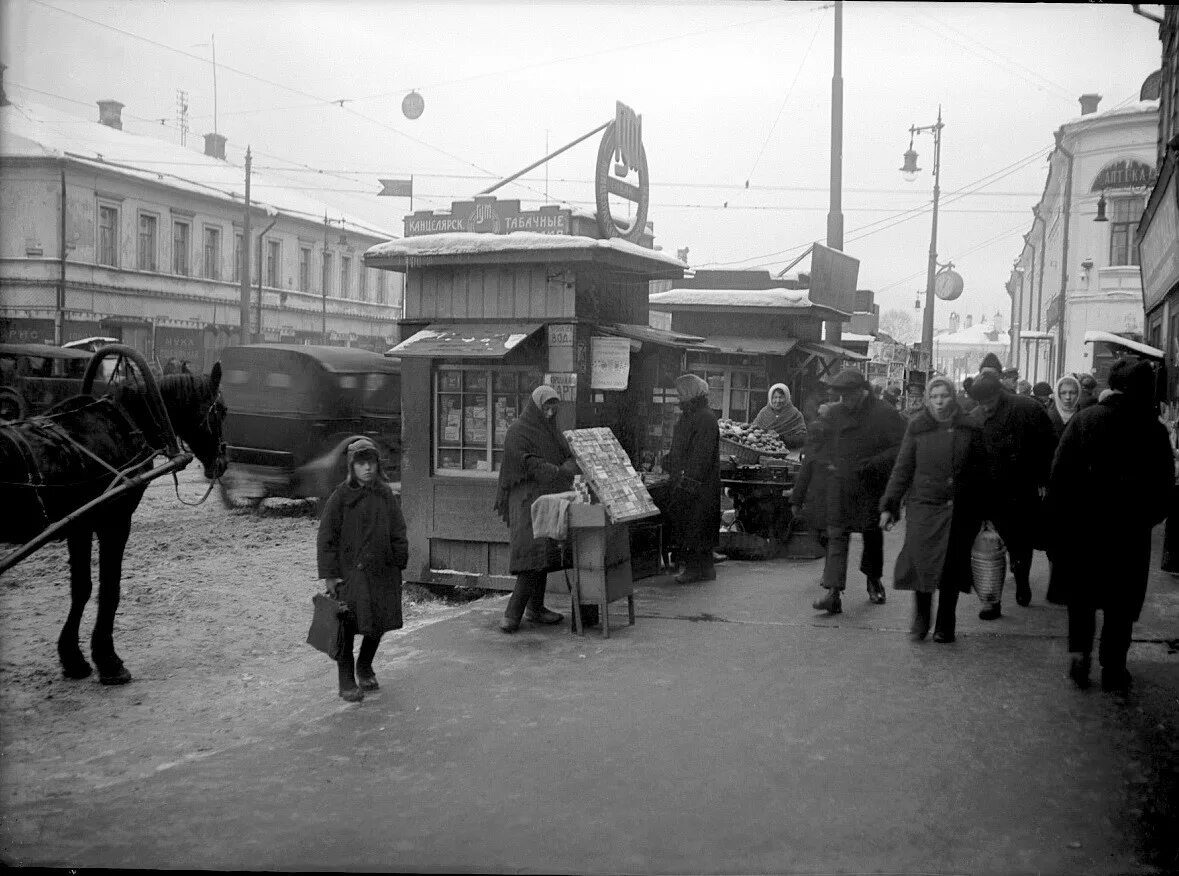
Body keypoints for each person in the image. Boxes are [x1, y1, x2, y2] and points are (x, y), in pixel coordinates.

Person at [1046, 359, 1173, 692]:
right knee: (1120, 604)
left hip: (1082, 531)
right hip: (1129, 535)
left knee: (1081, 598)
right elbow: (1164, 490)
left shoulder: (1085, 420)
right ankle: (1114, 666)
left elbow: (1059, 478)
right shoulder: (1154, 430)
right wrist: (1144, 519)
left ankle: (1078, 658)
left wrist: (1059, 523)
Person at [879, 377, 985, 642]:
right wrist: (889, 505)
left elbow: (983, 472)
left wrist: (986, 512)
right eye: (934, 396)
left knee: (952, 567)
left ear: (953, 397)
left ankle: (946, 622)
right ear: (928, 399)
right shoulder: (918, 427)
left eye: (944, 396)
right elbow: (902, 469)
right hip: (924, 507)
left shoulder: (970, 428)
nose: (939, 401)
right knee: (922, 564)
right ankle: (921, 618)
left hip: (959, 509)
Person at [317, 438, 408, 703]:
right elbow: (326, 537)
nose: (367, 469)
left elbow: (398, 529)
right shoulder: (341, 497)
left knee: (378, 622)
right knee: (345, 625)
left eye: (371, 463)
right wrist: (330, 574)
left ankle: (365, 665)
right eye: (361, 463)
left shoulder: (385, 494)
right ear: (351, 466)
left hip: (382, 571)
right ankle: (346, 679)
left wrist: (399, 560)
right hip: (350, 575)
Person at [809, 367, 906, 613]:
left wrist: (874, 464)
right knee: (836, 535)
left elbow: (901, 449)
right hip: (840, 484)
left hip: (871, 486)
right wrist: (827, 462)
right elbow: (819, 444)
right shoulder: (835, 413)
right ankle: (832, 592)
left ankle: (873, 580)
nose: (845, 401)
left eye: (849, 396)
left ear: (862, 391)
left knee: (871, 534)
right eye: (841, 396)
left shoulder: (885, 414)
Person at [967, 369, 1056, 618]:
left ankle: (1022, 581)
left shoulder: (1027, 409)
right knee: (988, 549)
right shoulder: (974, 417)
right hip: (988, 494)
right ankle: (991, 601)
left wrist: (1043, 479)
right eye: (980, 403)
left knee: (1021, 545)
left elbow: (1050, 445)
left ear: (1000, 393)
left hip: (1021, 490)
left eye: (990, 402)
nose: (986, 408)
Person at [493, 385, 578, 633]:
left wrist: (568, 465)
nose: (551, 411)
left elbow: (567, 455)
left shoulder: (552, 432)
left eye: (554, 406)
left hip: (545, 499)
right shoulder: (517, 432)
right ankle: (512, 614)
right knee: (531, 554)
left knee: (542, 552)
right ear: (535, 406)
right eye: (546, 406)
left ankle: (536, 608)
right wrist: (559, 471)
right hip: (524, 500)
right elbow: (527, 463)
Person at [666, 374, 721, 584]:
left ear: (690, 393)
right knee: (696, 527)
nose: (678, 397)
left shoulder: (704, 418)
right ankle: (703, 569)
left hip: (698, 485)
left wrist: (687, 480)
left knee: (696, 526)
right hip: (694, 482)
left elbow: (700, 455)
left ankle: (696, 569)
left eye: (681, 393)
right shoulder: (692, 415)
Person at [751, 382, 808, 449]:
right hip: (763, 452)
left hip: (788, 454)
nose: (777, 401)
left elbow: (802, 439)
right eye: (774, 397)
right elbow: (753, 430)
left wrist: (781, 438)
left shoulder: (795, 414)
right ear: (770, 398)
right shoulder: (764, 412)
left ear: (787, 398)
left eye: (781, 397)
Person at [1045, 375, 1080, 442]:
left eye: (1072, 393)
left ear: (1078, 394)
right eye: (1063, 393)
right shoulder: (1046, 415)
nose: (1068, 397)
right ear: (1057, 394)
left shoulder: (1084, 416)